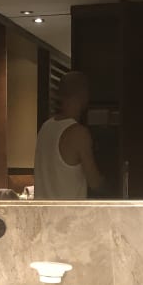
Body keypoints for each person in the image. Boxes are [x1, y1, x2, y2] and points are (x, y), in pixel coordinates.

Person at [33, 71, 104, 199]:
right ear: (84, 94)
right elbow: (95, 183)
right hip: (68, 212)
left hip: (42, 211)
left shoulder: (45, 127)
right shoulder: (78, 133)